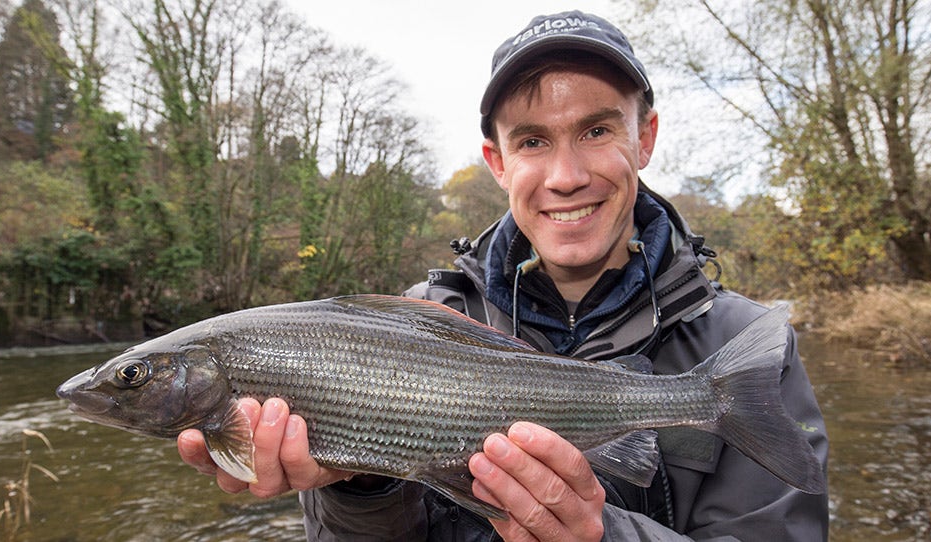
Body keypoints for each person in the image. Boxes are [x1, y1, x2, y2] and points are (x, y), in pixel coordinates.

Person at [177, 10, 829, 541]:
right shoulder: (415, 321)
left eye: (597, 129)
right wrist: (362, 484)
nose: (567, 175)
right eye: (533, 141)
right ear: (496, 159)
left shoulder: (742, 344)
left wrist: (607, 539)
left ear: (646, 136)